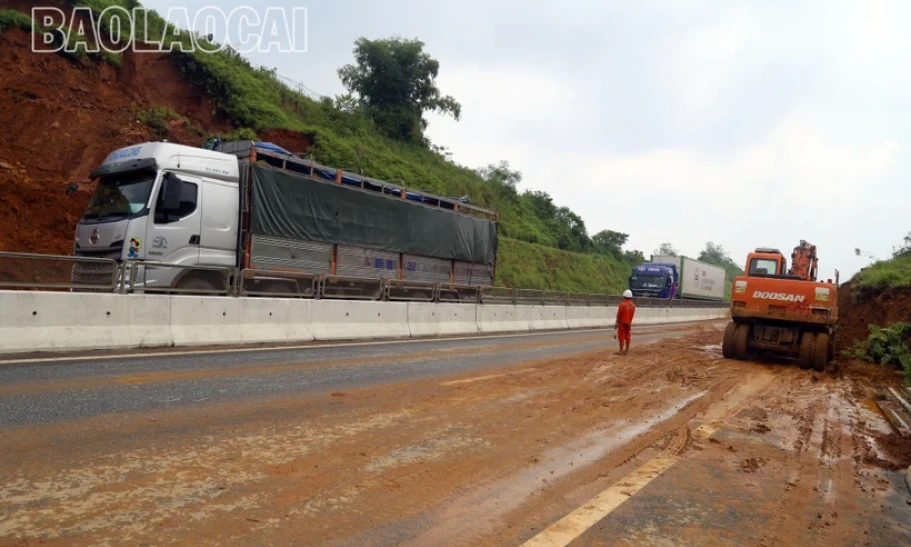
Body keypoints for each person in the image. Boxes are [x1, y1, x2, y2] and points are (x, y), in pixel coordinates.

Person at [614, 289, 636, 355]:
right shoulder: (633, 306)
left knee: (621, 337)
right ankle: (626, 350)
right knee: (628, 336)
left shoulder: (622, 304)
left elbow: (619, 315)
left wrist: (616, 323)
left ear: (624, 296)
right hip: (628, 323)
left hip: (622, 323)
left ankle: (621, 351)